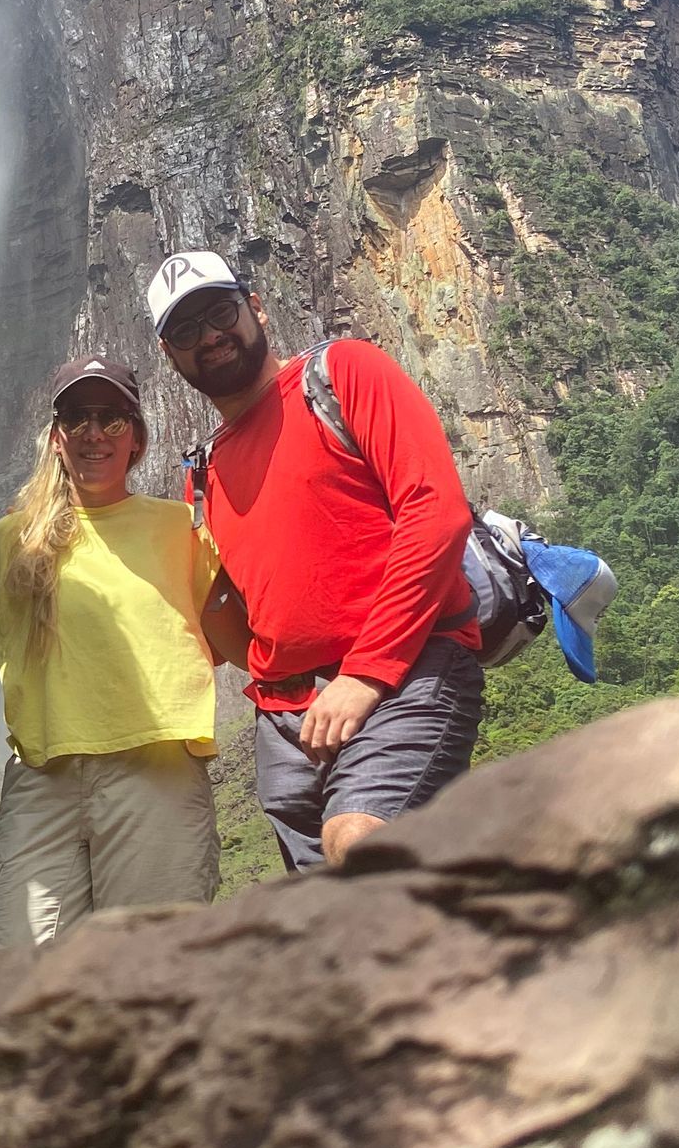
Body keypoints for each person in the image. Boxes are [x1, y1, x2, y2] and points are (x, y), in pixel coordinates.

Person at [148, 249, 483, 872]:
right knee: (327, 914)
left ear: (257, 307)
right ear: (170, 355)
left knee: (359, 847)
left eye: (220, 312)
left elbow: (435, 511)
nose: (211, 337)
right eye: (186, 332)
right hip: (284, 721)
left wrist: (365, 674)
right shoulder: (202, 473)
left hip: (402, 676)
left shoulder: (341, 374)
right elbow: (225, 607)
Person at [0, 355, 244, 959]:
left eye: (112, 419)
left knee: (149, 971)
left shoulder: (182, 529)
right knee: (6, 967)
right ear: (56, 434)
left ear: (137, 437)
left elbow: (233, 642)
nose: (94, 433)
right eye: (77, 417)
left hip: (157, 775)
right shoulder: (14, 541)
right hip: (44, 777)